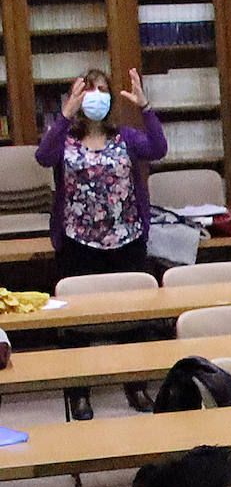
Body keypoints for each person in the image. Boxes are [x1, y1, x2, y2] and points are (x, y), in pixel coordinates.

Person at [36, 68, 166, 420]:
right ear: (78, 98)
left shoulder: (125, 136)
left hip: (126, 237)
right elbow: (43, 157)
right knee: (77, 320)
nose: (96, 95)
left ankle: (135, 384)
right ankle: (79, 392)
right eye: (89, 90)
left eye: (102, 89)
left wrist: (146, 107)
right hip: (78, 240)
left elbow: (157, 148)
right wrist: (63, 115)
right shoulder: (66, 138)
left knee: (133, 318)